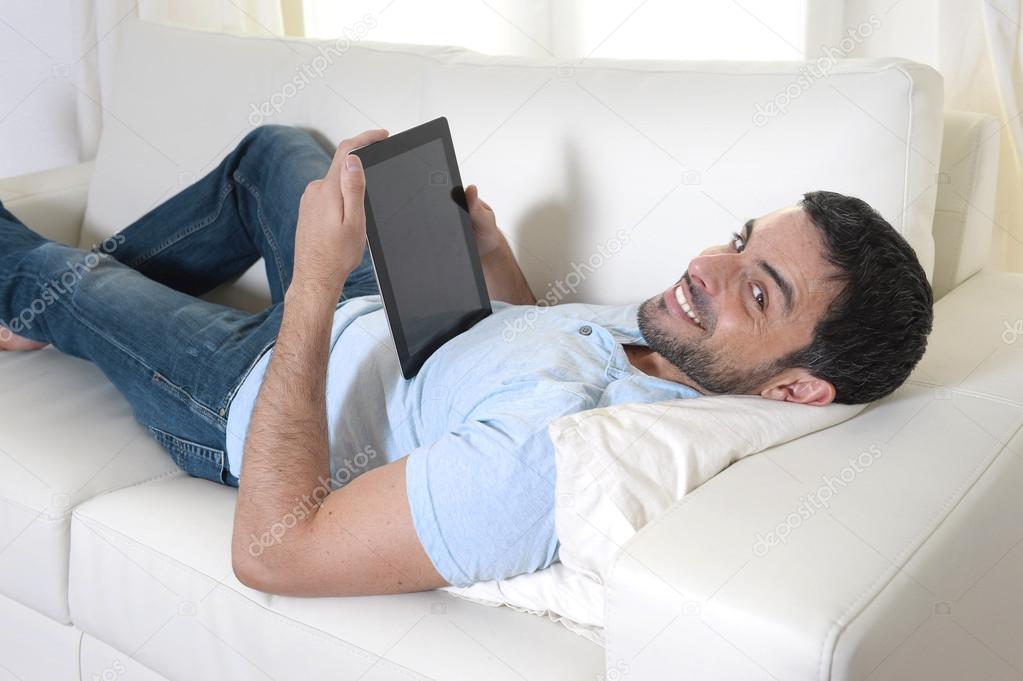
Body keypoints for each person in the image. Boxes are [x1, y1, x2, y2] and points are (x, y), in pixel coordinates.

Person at [0, 125, 932, 596]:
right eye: (737, 238)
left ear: (798, 387)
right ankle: (75, 302)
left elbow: (274, 553)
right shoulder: (688, 349)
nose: (706, 268)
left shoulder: (546, 463)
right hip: (378, 316)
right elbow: (533, 351)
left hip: (248, 391)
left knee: (36, 270)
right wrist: (485, 252)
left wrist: (315, 281)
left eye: (758, 289)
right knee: (279, 153)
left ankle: (47, 304)